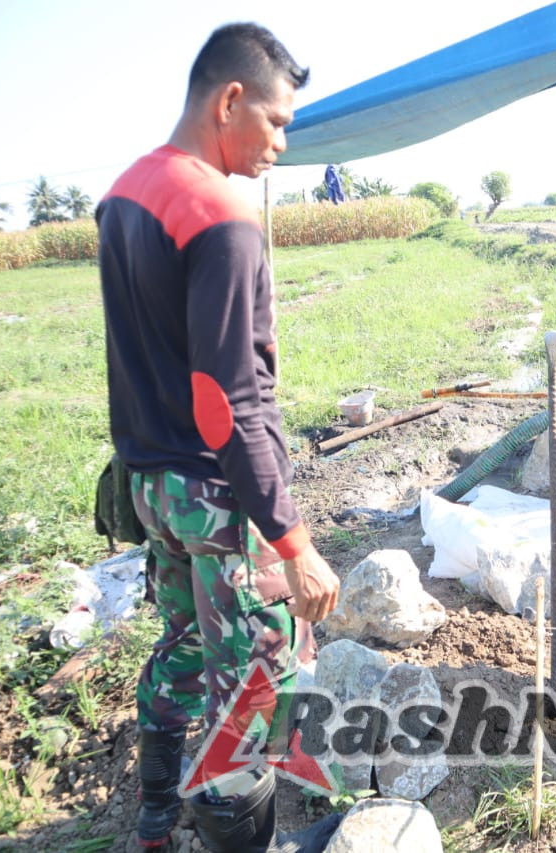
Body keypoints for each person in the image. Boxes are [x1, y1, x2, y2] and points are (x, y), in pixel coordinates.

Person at [96, 23, 341, 852]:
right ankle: (252, 840)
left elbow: (142, 358)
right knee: (261, 678)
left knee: (182, 650)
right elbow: (229, 402)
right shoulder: (219, 214)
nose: (280, 143)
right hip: (209, 492)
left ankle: (158, 819)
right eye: (276, 122)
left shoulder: (126, 195)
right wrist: (292, 540)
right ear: (228, 100)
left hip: (149, 487)